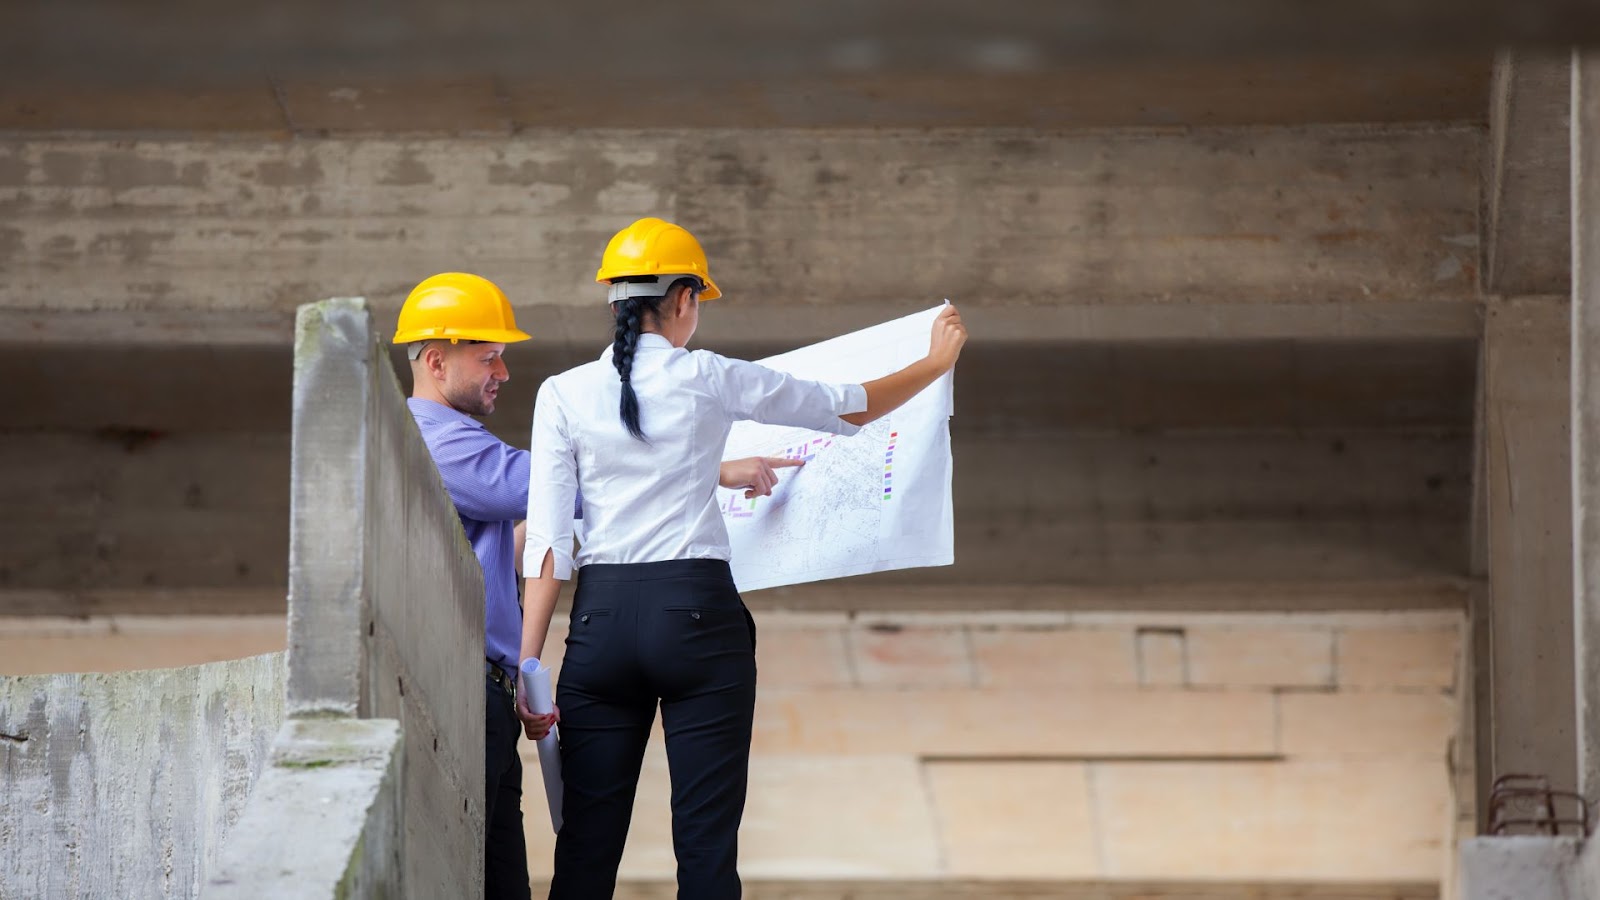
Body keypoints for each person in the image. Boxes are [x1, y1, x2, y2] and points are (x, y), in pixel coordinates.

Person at [516, 218, 967, 899]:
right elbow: (848, 408)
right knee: (705, 850)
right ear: (684, 301)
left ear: (614, 301)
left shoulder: (563, 393)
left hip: (600, 627)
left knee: (583, 849)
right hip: (696, 620)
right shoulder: (711, 377)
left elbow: (549, 544)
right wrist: (935, 364)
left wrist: (529, 669)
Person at [394, 271, 800, 900]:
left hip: (492, 692)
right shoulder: (437, 444)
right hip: (470, 691)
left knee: (537, 873)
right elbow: (586, 482)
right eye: (489, 356)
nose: (503, 371)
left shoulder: (453, 442)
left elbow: (557, 507)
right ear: (438, 360)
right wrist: (711, 471)